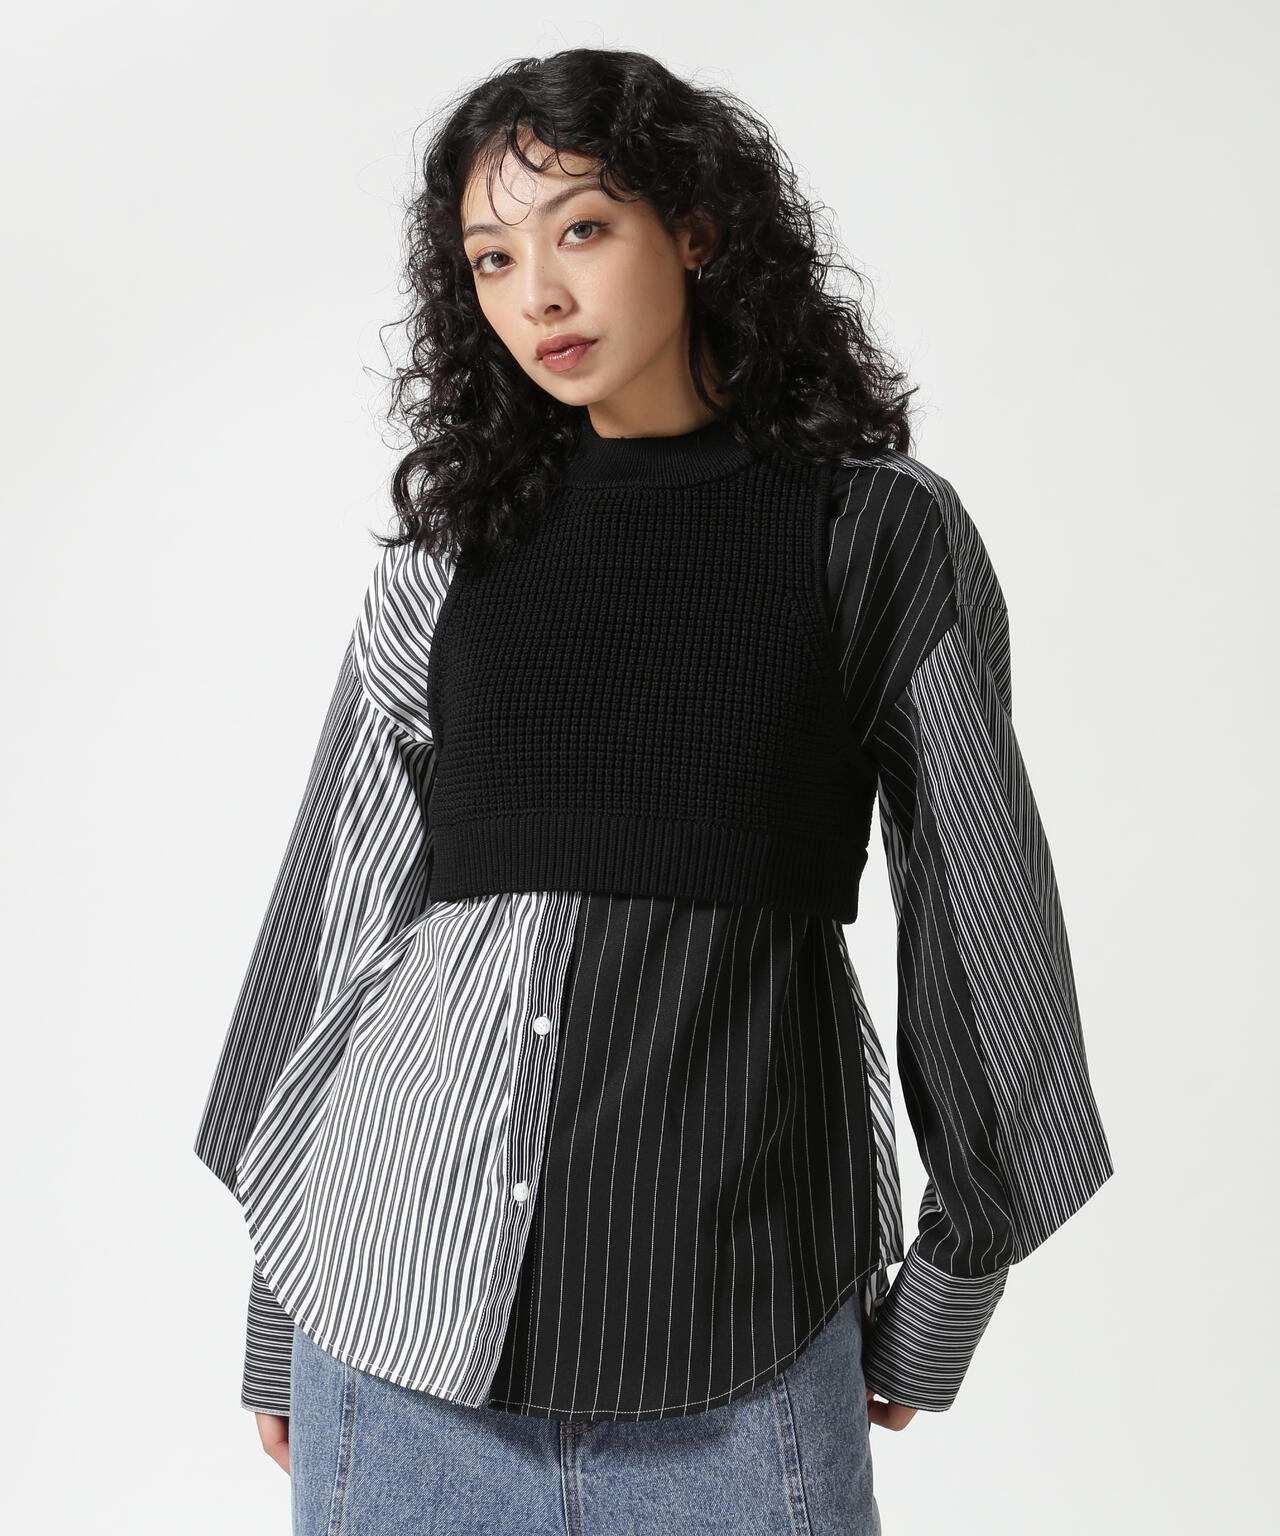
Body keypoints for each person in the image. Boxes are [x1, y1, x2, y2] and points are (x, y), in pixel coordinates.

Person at [193, 46, 1114, 1535]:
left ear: (695, 228)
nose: (538, 295)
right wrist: (273, 1311)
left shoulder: (870, 533)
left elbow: (982, 910)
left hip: (741, 1332)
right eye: (492, 258)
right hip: (389, 1323)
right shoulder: (448, 561)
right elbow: (339, 923)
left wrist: (954, 1276)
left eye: (581, 229)